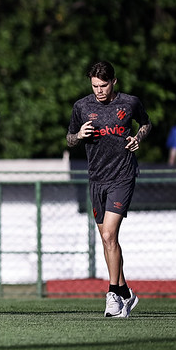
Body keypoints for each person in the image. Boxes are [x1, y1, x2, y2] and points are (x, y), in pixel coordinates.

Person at [67, 61, 151, 318]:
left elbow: (146, 124)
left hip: (123, 176)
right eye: (94, 86)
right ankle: (125, 291)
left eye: (103, 85)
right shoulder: (82, 106)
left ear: (114, 81)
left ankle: (113, 294)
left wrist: (138, 138)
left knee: (108, 236)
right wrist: (79, 135)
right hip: (96, 179)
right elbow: (69, 139)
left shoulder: (129, 103)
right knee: (108, 239)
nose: (99, 91)